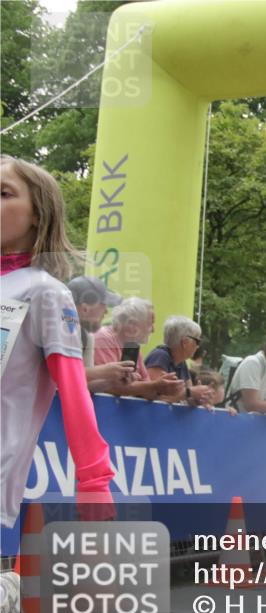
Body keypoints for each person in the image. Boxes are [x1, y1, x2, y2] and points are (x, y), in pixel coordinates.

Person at [0, 154, 115, 529]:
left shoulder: (45, 292)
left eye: (4, 193)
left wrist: (94, 480)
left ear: (37, 213)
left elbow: (73, 388)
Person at [93, 297, 186, 400]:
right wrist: (154, 386)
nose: (153, 330)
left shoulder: (132, 346)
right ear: (132, 324)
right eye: (150, 324)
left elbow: (149, 393)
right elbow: (110, 386)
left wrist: (161, 387)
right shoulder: (103, 339)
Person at [67, 275, 137, 393]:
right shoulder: (55, 331)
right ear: (85, 309)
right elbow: (59, 374)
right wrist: (102, 371)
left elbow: (85, 385)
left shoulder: (87, 337)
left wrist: (112, 380)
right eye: (103, 305)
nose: (106, 311)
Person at [144, 315, 216, 407]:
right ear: (185, 342)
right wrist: (190, 392)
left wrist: (199, 398)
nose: (198, 346)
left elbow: (188, 397)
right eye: (197, 341)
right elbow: (155, 397)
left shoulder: (181, 362)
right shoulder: (160, 356)